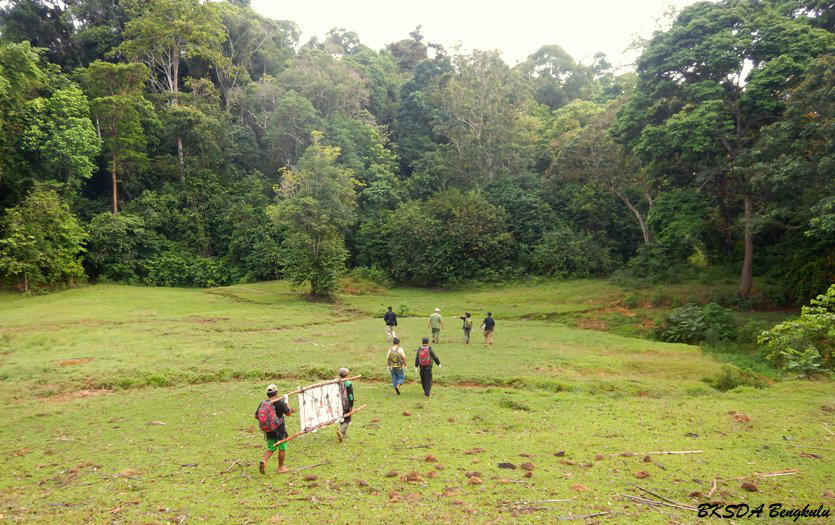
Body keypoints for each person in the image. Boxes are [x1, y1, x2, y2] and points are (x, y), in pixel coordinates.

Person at [255, 384, 293, 474]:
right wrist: (286, 401)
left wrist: (268, 423)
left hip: (269, 430)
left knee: (271, 448)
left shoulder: (264, 403)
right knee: (282, 448)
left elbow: (256, 416)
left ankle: (264, 461)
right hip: (280, 431)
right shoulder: (280, 402)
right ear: (277, 392)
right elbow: (289, 413)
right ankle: (281, 467)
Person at [336, 368, 354, 442]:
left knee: (342, 417)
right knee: (347, 419)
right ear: (346, 374)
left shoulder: (337, 382)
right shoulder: (348, 383)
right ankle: (340, 431)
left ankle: (344, 433)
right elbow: (350, 395)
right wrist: (351, 404)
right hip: (346, 404)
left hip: (338, 403)